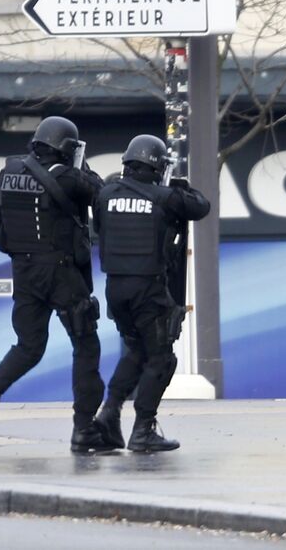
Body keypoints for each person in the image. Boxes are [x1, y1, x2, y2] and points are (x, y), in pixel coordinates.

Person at [0, 116, 115, 453]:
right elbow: (102, 196)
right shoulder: (70, 177)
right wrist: (82, 167)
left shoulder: (10, 171)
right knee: (86, 344)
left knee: (28, 347)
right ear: (67, 148)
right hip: (61, 273)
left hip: (24, 272)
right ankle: (84, 428)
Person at [92, 135, 210, 452]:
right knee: (162, 359)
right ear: (157, 166)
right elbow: (201, 207)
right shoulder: (163, 197)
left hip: (116, 290)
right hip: (148, 290)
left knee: (136, 351)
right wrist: (181, 188)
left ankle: (109, 412)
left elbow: (99, 231)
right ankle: (143, 429)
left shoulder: (104, 195)